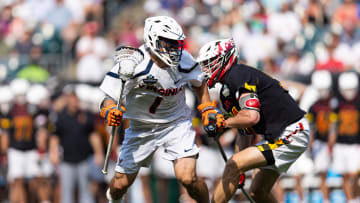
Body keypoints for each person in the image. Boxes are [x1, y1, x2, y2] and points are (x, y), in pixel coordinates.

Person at [99, 16, 220, 203]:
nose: (174, 49)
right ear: (152, 39)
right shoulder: (133, 63)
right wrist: (109, 111)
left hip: (176, 123)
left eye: (176, 43)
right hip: (141, 127)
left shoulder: (184, 60)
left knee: (188, 178)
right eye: (168, 43)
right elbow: (109, 97)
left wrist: (207, 108)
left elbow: (199, 82)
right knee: (120, 185)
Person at [196, 38, 310, 203]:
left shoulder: (237, 74)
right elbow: (245, 132)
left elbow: (251, 117)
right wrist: (240, 169)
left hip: (292, 131)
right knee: (258, 194)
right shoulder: (226, 91)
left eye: (209, 63)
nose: (205, 69)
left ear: (225, 59)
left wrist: (223, 122)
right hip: (279, 134)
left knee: (233, 164)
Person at [307, 70, 336, 203]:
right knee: (322, 173)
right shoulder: (313, 107)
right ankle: (326, 199)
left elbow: (335, 125)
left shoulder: (335, 104)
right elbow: (311, 127)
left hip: (338, 143)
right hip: (320, 143)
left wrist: (333, 140)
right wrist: (310, 144)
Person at [332, 71, 360, 203]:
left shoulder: (358, 103)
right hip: (341, 143)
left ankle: (355, 198)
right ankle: (350, 200)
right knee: (344, 175)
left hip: (355, 143)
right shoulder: (338, 104)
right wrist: (331, 140)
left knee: (354, 173)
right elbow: (334, 123)